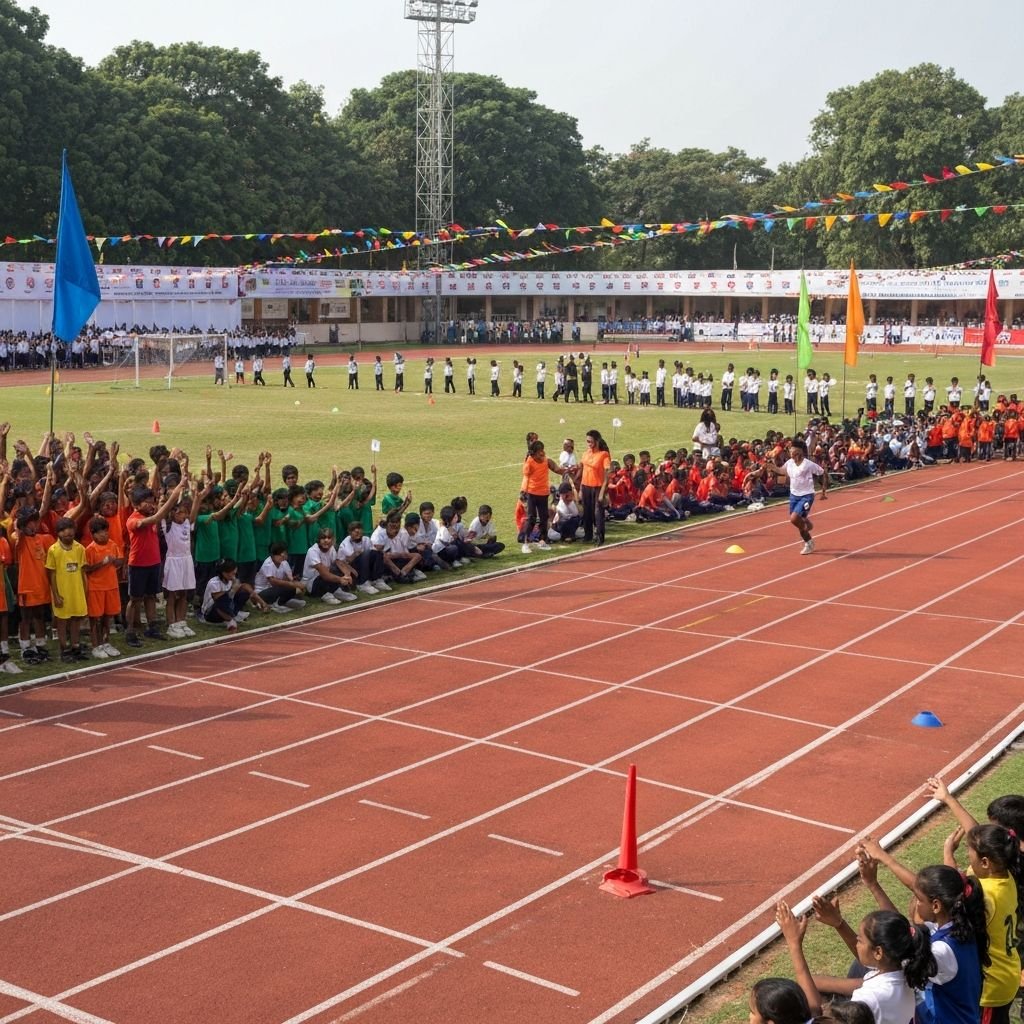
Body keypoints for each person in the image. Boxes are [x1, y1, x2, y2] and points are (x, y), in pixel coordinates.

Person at [856, 839, 987, 1024]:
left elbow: (898, 939)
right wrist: (873, 882)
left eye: (919, 899)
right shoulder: (961, 926)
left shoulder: (941, 952)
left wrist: (882, 862)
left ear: (936, 906)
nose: (916, 904)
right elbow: (900, 930)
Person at [808, 898, 936, 1024]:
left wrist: (796, 947)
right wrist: (839, 924)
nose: (857, 943)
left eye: (860, 940)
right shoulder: (907, 967)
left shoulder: (868, 998)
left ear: (878, 952)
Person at [124, 480, 185, 647]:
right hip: (138, 565)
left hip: (154, 563)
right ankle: (130, 631)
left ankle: (152, 627)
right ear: (136, 504)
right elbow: (157, 517)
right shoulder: (133, 520)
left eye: (152, 502)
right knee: (135, 599)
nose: (151, 505)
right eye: (147, 503)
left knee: (151, 596)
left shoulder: (148, 516)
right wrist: (176, 491)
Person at [772, 439, 827, 555]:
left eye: (792, 451)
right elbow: (782, 471)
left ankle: (808, 542)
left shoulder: (808, 464)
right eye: (790, 451)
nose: (790, 452)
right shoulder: (790, 463)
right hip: (794, 495)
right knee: (798, 520)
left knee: (794, 519)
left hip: (806, 495)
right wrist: (770, 466)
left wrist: (823, 491)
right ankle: (806, 523)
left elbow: (822, 473)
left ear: (799, 452)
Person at [45, 516, 89, 662]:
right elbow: (51, 574)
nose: (68, 532)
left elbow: (82, 572)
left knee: (76, 619)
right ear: (58, 533)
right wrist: (55, 595)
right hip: (62, 593)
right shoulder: (53, 550)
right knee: (62, 622)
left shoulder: (80, 548)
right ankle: (64, 649)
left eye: (70, 529)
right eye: (63, 530)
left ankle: (76, 647)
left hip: (77, 591)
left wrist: (85, 591)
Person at [520, 439, 562, 553]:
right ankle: (526, 543)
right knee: (531, 518)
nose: (542, 453)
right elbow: (526, 477)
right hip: (532, 493)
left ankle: (542, 540)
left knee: (544, 518)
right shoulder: (529, 463)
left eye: (543, 450)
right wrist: (523, 492)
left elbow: (557, 469)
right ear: (533, 454)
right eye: (539, 452)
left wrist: (568, 471)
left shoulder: (546, 461)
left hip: (543, 493)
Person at [302, 526, 358, 604]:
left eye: (329, 538)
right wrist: (340, 579)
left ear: (333, 540)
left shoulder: (331, 548)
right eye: (323, 538)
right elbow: (324, 574)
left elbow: (338, 563)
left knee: (339, 570)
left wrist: (347, 575)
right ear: (318, 540)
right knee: (324, 575)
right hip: (312, 583)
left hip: (325, 578)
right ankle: (326, 594)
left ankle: (336, 591)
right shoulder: (312, 551)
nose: (326, 540)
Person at [201, 558, 256, 630]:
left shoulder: (231, 579)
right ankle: (230, 619)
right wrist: (233, 590)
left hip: (226, 606)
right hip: (211, 612)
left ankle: (233, 615)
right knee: (222, 599)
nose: (234, 574)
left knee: (244, 593)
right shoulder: (214, 583)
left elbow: (244, 586)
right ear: (224, 573)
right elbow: (218, 599)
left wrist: (256, 597)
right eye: (232, 572)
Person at [579, 428, 612, 545]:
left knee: (598, 513)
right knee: (587, 512)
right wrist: (580, 489)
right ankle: (588, 535)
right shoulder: (585, 454)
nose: (588, 444)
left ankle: (600, 537)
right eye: (587, 441)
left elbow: (608, 473)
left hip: (597, 487)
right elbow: (582, 469)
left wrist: (603, 491)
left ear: (597, 441)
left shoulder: (603, 455)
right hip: (585, 486)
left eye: (590, 441)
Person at [254, 542, 307, 611]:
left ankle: (281, 602)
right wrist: (292, 584)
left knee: (292, 588)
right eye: (279, 554)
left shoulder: (284, 563)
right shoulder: (268, 564)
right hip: (262, 592)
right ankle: (273, 604)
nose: (282, 555)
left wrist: (298, 585)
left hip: (275, 589)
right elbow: (273, 581)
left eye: (284, 553)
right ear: (272, 555)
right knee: (285, 586)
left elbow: (290, 579)